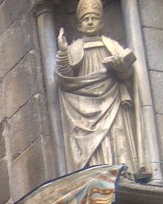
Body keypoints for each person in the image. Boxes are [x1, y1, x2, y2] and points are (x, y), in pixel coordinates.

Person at [55, 0, 144, 175]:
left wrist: (121, 67)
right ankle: (93, 173)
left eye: (94, 18)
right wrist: (63, 52)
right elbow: (64, 79)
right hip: (83, 107)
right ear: (79, 25)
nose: (89, 22)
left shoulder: (112, 46)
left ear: (101, 23)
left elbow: (127, 76)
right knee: (93, 148)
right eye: (86, 19)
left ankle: (120, 172)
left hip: (111, 100)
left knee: (115, 135)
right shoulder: (74, 48)